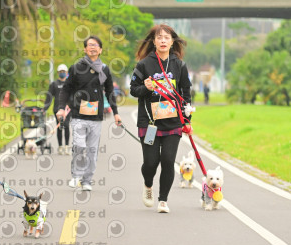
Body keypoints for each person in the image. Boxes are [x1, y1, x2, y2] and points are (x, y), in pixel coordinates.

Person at [129, 24, 192, 214]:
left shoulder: (179, 65)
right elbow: (133, 90)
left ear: (172, 42)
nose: (163, 40)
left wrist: (187, 120)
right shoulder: (143, 65)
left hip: (173, 123)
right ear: (154, 42)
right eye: (159, 37)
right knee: (150, 162)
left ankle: (163, 200)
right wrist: (146, 88)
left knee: (168, 160)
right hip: (149, 124)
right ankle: (148, 184)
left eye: (166, 37)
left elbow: (186, 93)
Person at [56, 36, 122, 191]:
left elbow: (110, 92)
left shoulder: (105, 69)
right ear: (85, 49)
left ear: (100, 50)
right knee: (79, 146)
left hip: (96, 117)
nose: (93, 47)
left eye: (96, 45)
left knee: (92, 151)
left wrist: (116, 113)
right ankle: (76, 175)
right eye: (90, 45)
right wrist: (61, 108)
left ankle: (87, 180)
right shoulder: (76, 68)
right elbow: (66, 89)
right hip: (78, 114)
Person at [43, 64, 71, 155]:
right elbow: (49, 97)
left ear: (66, 72)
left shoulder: (69, 84)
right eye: (60, 72)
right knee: (59, 127)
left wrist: (71, 104)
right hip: (57, 109)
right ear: (58, 73)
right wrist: (45, 109)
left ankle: (67, 146)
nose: (62, 73)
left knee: (66, 125)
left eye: (64, 72)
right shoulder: (54, 84)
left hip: (67, 109)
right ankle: (60, 146)